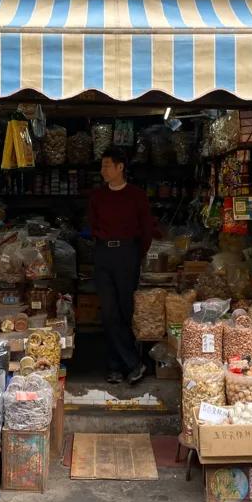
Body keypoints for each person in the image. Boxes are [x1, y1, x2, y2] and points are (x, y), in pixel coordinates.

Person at [88, 146, 153, 385]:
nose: (103, 170)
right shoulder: (97, 196)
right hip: (104, 253)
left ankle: (116, 366)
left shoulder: (137, 195)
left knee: (125, 310)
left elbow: (146, 230)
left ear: (120, 167)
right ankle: (133, 363)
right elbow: (92, 225)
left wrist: (136, 254)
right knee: (108, 311)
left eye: (107, 165)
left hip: (127, 254)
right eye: (102, 165)